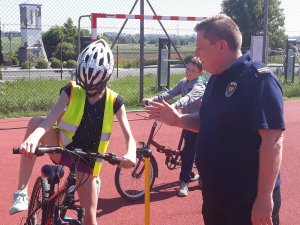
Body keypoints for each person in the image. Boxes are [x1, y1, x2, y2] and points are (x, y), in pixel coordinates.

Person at [145, 14, 284, 225]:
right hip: (216, 196)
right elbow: (207, 121)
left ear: (221, 45)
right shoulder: (215, 80)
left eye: (200, 47)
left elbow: (273, 142)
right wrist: (178, 120)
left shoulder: (258, 79)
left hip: (247, 199)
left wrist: (264, 199)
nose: (196, 54)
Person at [9, 39, 136, 225]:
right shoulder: (71, 90)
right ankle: (21, 192)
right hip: (62, 148)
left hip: (87, 161)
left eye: (94, 88)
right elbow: (51, 117)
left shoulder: (115, 101)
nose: (88, 91)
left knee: (90, 220)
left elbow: (129, 136)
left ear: (106, 79)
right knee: (35, 122)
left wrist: (131, 153)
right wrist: (34, 138)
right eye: (84, 85)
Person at [144, 56, 206, 196]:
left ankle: (184, 182)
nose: (189, 72)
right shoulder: (184, 82)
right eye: (187, 69)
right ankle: (192, 173)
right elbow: (170, 93)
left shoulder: (200, 85)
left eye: (193, 70)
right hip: (186, 121)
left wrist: (174, 106)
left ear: (200, 73)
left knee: (191, 152)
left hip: (199, 123)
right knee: (189, 151)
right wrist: (152, 99)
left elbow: (188, 98)